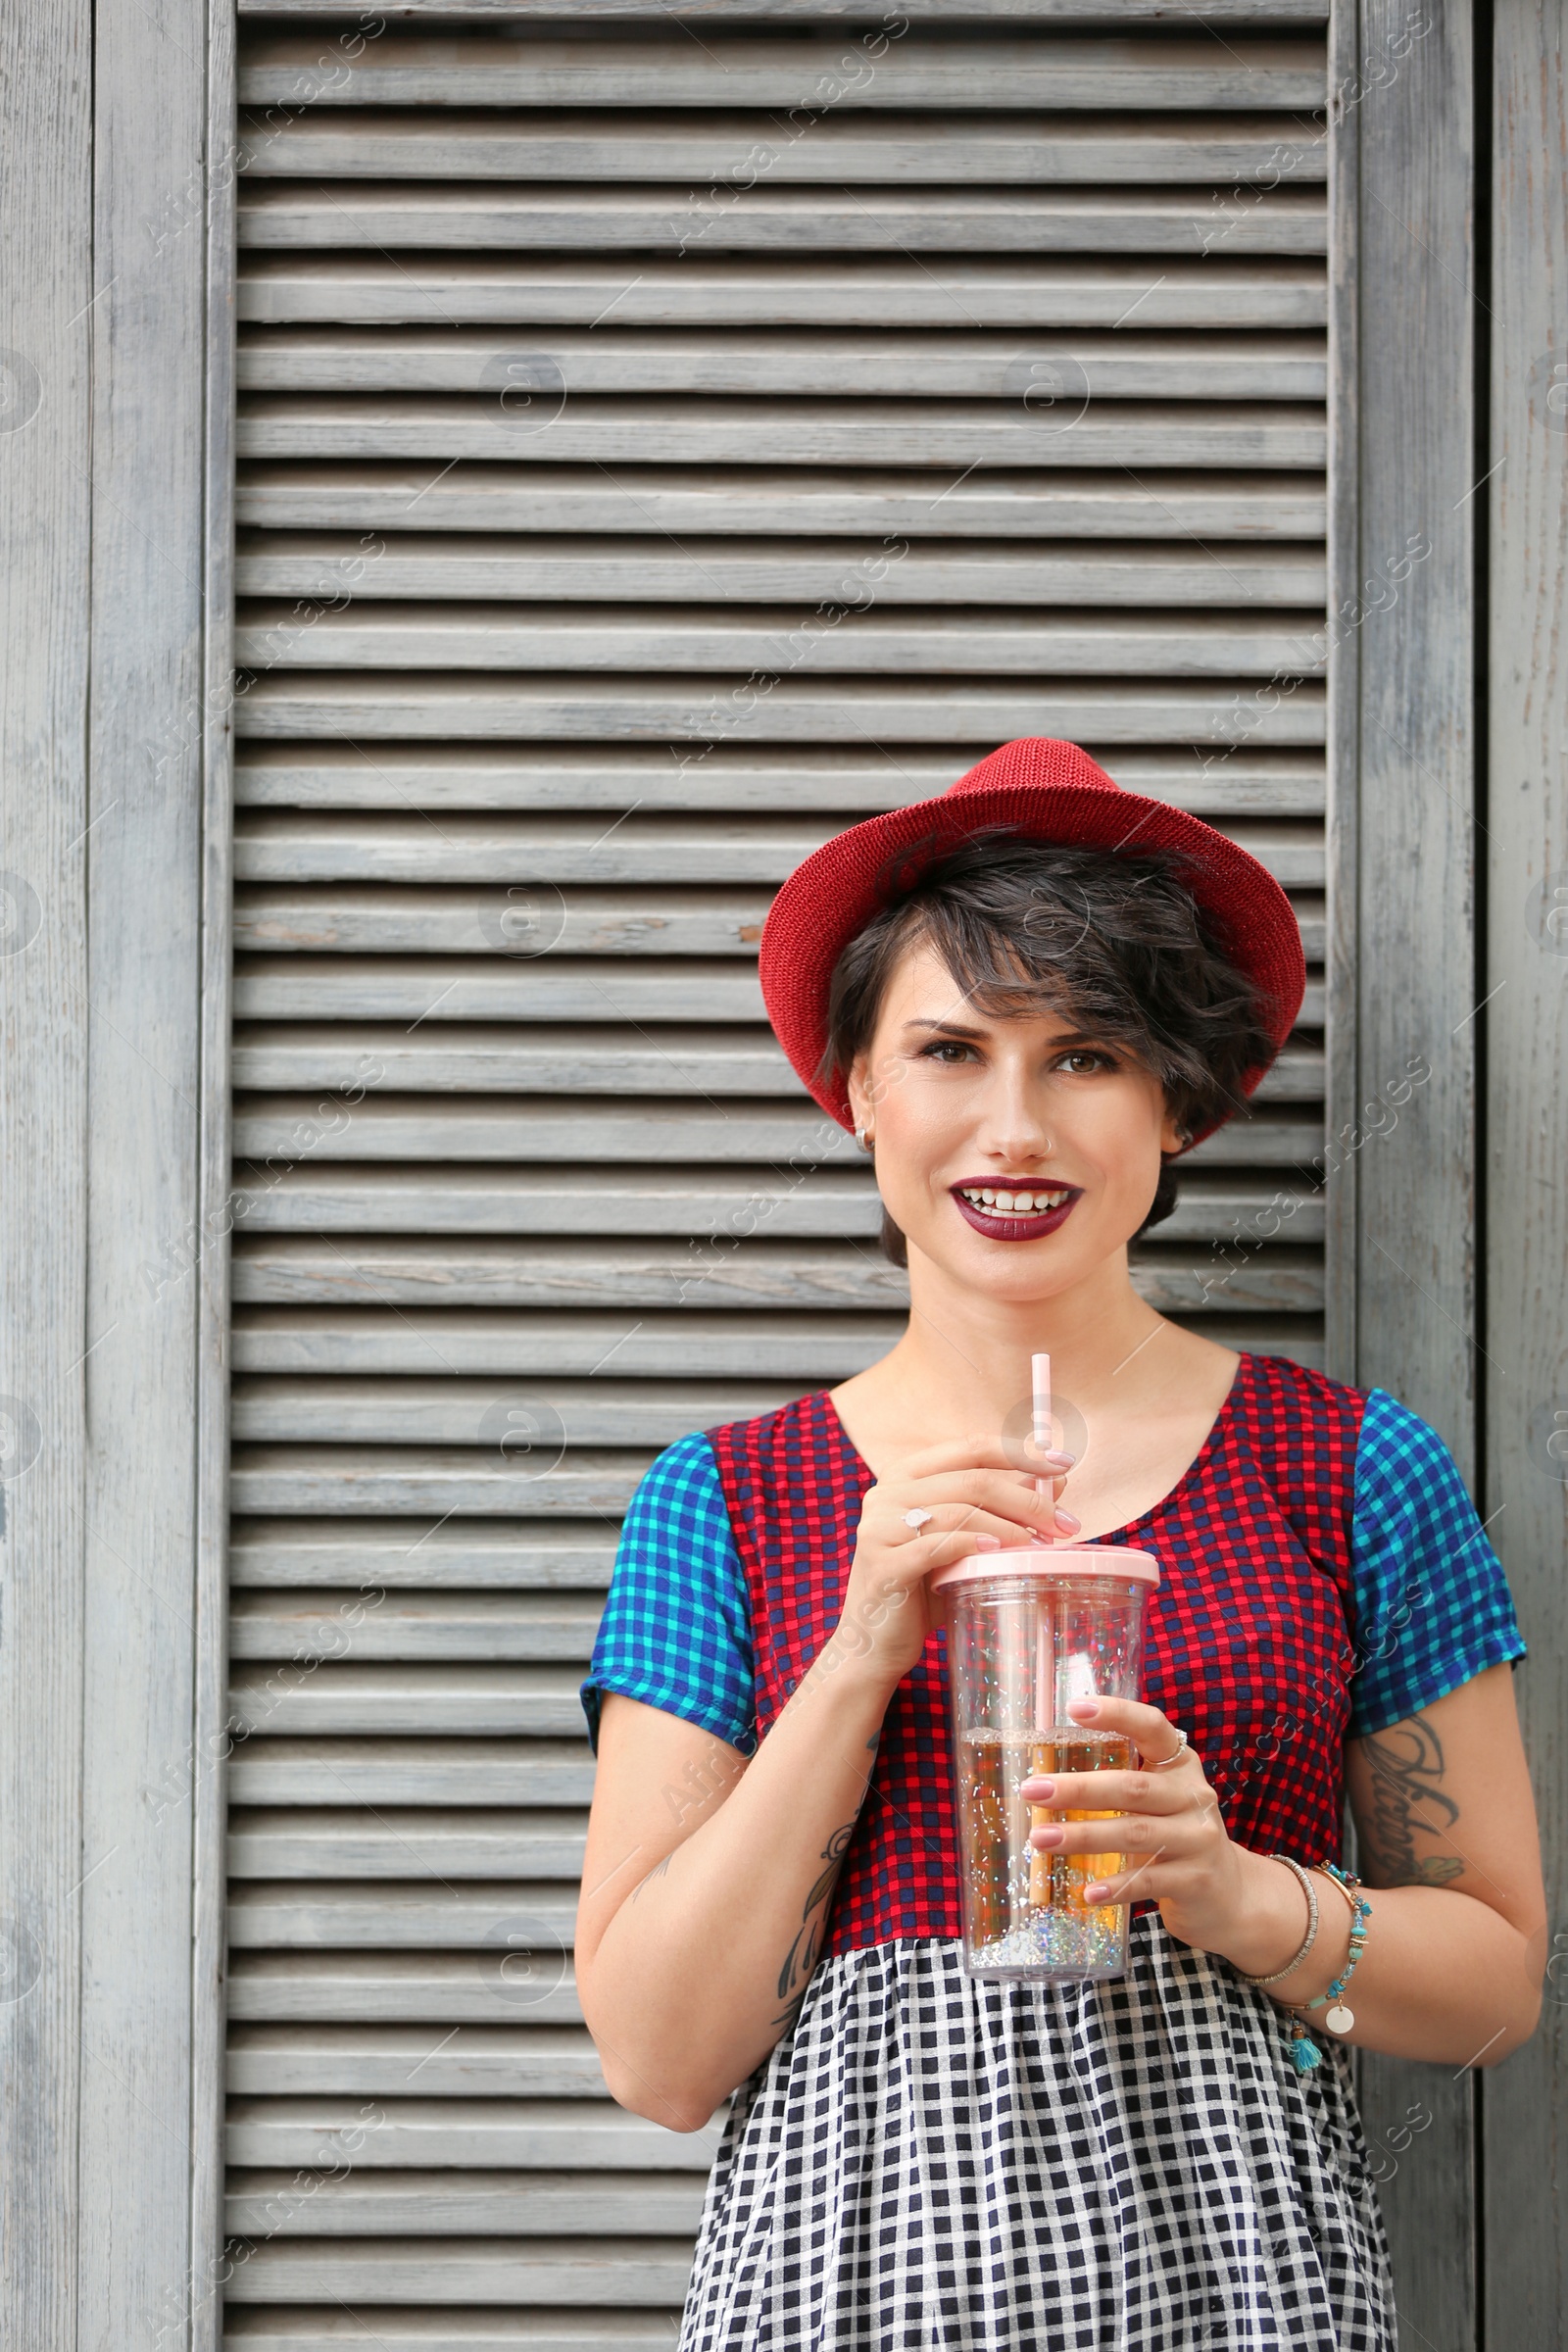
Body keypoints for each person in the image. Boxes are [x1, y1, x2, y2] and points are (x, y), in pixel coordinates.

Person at [574, 738, 1544, 2351]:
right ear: (860, 1090)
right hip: (845, 2282)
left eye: (1087, 1054)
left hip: (1244, 2284)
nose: (1014, 1127)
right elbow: (663, 2063)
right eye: (950, 1050)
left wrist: (1229, 1888)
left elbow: (1497, 1984)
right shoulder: (727, 1500)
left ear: (1178, 1098)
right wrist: (867, 1643)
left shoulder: (1355, 1471)